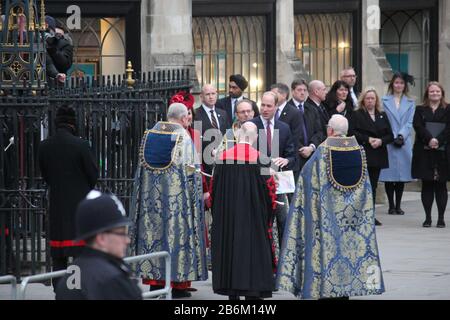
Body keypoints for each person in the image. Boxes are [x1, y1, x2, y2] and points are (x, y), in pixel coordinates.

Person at [277, 115, 385, 299]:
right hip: (354, 223)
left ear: (329, 131)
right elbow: (366, 189)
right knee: (350, 255)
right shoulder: (360, 152)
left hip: (327, 222)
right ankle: (346, 291)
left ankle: (325, 288)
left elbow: (306, 180)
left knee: (327, 252)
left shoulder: (322, 153)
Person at [129, 103, 208, 299]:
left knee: (153, 238)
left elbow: (140, 174)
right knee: (176, 239)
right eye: (188, 118)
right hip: (176, 204)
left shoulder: (149, 135)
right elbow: (192, 173)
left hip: (151, 203)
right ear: (184, 118)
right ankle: (179, 286)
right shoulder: (183, 137)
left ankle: (155, 285)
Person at [211, 122, 277, 300]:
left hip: (229, 218)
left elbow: (213, 191)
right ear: (255, 137)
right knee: (252, 253)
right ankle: (252, 293)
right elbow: (270, 191)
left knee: (231, 250)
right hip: (253, 217)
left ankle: (232, 293)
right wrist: (270, 214)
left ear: (238, 135)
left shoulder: (222, 158)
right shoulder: (261, 159)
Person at [38, 105, 98, 287]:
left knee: (58, 252)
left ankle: (59, 289)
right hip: (80, 206)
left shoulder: (44, 146)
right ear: (73, 124)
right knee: (78, 252)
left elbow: (45, 175)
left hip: (57, 204)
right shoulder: (81, 145)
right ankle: (75, 288)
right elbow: (93, 175)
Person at [55, 191, 142, 300]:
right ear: (101, 238)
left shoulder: (71, 274)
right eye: (121, 234)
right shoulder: (112, 280)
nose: (127, 240)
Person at [251, 91, 295, 250]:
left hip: (279, 182)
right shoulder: (251, 126)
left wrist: (286, 160)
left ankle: (284, 257)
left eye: (269, 106)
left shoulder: (284, 128)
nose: (265, 109)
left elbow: (292, 155)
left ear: (276, 107)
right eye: (262, 104)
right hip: (258, 181)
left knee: (283, 219)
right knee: (261, 221)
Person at [351, 88, 394, 226]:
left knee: (373, 186)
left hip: (378, 154)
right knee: (362, 186)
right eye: (368, 98)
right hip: (364, 153)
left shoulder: (382, 115)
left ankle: (371, 214)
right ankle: (360, 214)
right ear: (363, 100)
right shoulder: (357, 114)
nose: (370, 101)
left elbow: (390, 135)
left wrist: (381, 141)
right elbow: (352, 132)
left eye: (373, 98)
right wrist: (368, 139)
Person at [412, 82, 449, 228]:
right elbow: (418, 126)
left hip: (443, 152)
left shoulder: (448, 108)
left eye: (437, 92)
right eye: (432, 92)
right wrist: (430, 139)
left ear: (442, 93)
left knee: (441, 185)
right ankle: (427, 217)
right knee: (427, 184)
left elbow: (449, 129)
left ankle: (441, 218)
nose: (435, 94)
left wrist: (438, 140)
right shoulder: (420, 109)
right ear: (427, 93)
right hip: (424, 151)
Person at [379, 72, 415, 216]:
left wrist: (401, 136)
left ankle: (399, 205)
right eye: (396, 83)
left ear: (404, 85)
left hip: (404, 141)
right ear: (392, 84)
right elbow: (384, 120)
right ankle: (391, 205)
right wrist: (393, 136)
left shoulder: (411, 102)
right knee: (390, 174)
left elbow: (409, 122)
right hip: (389, 140)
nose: (398, 85)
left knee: (401, 176)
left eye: (401, 83)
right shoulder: (384, 100)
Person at [286, 79, 324, 177]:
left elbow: (319, 132)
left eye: (304, 90)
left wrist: (311, 147)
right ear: (293, 91)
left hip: (311, 155)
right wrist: (301, 149)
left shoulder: (312, 109)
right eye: (299, 90)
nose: (302, 93)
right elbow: (287, 134)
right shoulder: (286, 110)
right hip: (294, 157)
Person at [194, 84, 229, 177]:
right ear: (201, 97)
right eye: (207, 94)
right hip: (206, 165)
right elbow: (197, 141)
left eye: (213, 93)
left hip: (223, 163)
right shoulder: (196, 115)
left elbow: (228, 135)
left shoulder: (223, 113)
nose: (211, 97)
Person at [271, 83, 302, 179]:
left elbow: (295, 138)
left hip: (286, 161)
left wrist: (287, 159)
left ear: (284, 95)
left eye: (274, 94)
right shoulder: (269, 110)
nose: (271, 97)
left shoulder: (294, 112)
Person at [45, 16, 73, 84]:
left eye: (59, 34)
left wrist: (53, 49)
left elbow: (65, 64)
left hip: (55, 83)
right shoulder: (37, 41)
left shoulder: (65, 44)